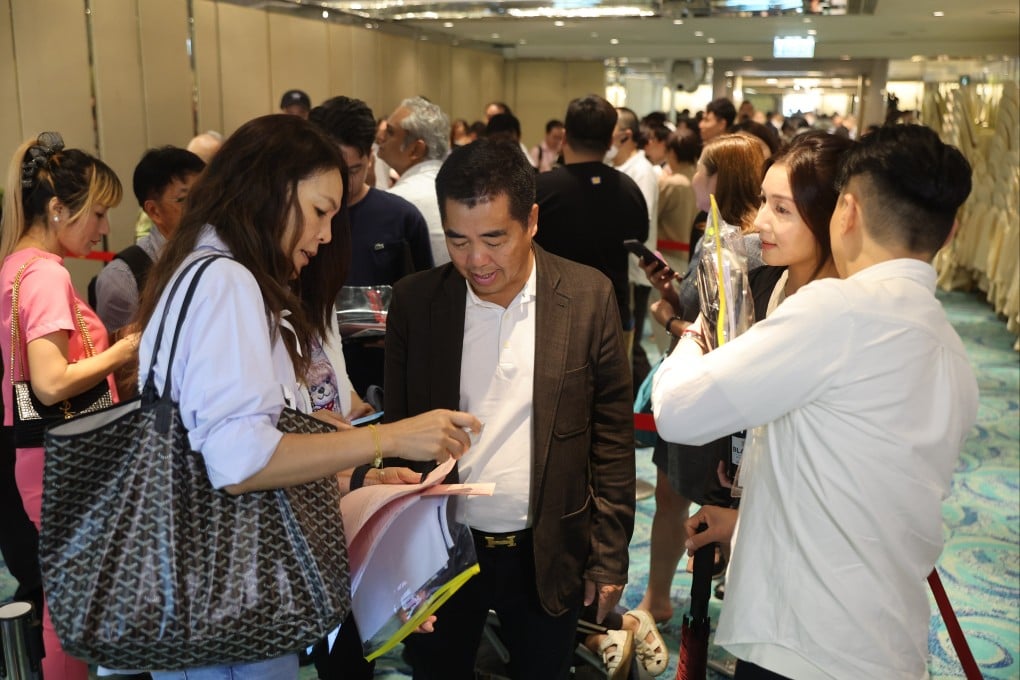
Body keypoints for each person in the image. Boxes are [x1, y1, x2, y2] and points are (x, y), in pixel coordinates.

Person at [132, 114, 480, 678]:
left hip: (206, 581)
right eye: (319, 212)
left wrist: (362, 476)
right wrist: (384, 439)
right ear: (269, 189)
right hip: (232, 589)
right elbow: (241, 460)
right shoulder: (227, 282)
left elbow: (259, 434)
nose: (323, 236)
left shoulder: (199, 269)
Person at [656, 125, 976, 679]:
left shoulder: (837, 311)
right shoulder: (950, 348)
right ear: (950, 232)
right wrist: (745, 520)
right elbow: (860, 483)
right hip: (888, 639)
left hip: (806, 639)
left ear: (845, 211)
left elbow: (678, 411)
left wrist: (694, 336)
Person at [387, 138, 635, 679]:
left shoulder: (588, 296)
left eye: (494, 239)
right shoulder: (415, 303)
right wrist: (399, 562)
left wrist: (608, 555)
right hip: (444, 548)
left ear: (532, 221)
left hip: (549, 545)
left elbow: (612, 440)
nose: (475, 260)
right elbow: (396, 439)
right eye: (458, 240)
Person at [0, 131, 139, 680]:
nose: (104, 227)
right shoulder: (46, 274)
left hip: (40, 451)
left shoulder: (15, 266)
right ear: (58, 208)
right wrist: (127, 348)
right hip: (66, 458)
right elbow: (51, 381)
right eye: (98, 213)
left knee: (68, 603)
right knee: (72, 609)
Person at [634, 132, 768, 626]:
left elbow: (714, 330)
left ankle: (663, 600)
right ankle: (676, 601)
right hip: (719, 395)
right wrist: (673, 289)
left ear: (718, 179)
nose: (691, 177)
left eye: (701, 170)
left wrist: (669, 319)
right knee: (701, 502)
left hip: (709, 397)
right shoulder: (728, 236)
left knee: (692, 501)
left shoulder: (733, 246)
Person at [309, 96, 433, 394]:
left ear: (370, 158)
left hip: (383, 377)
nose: (342, 182)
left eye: (353, 170)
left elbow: (427, 306)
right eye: (333, 170)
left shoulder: (401, 218)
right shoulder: (298, 220)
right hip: (313, 380)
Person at [534, 94, 648, 348]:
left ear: (564, 137)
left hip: (553, 311)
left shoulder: (540, 190)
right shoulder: (628, 189)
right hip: (612, 313)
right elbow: (640, 236)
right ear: (610, 141)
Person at [94, 146, 205, 334]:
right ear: (154, 211)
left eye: (205, 195)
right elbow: (120, 358)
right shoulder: (123, 277)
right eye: (185, 199)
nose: (201, 206)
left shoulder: (223, 250)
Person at [377, 96, 451, 265]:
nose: (379, 137)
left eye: (389, 132)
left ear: (416, 149)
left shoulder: (397, 202)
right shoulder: (456, 188)